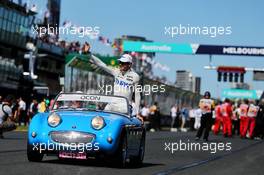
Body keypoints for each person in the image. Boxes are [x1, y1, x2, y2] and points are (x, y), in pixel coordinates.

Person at [89, 54, 141, 120]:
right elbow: (102, 65)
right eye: (120, 62)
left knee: (119, 122)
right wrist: (89, 53)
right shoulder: (116, 71)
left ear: (129, 65)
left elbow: (137, 95)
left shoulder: (135, 76)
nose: (120, 64)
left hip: (125, 106)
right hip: (113, 104)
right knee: (101, 119)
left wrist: (137, 113)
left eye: (123, 63)